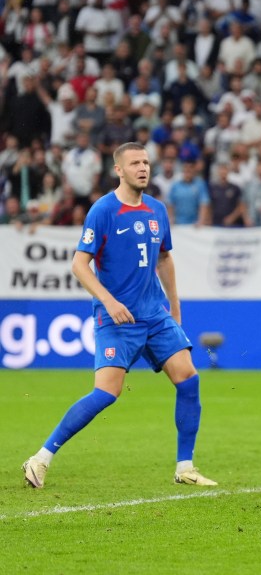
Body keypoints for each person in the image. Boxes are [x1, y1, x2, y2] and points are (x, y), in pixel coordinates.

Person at [21, 142, 216, 488]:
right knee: (105, 394)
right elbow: (80, 265)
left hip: (155, 316)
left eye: (146, 162)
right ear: (119, 170)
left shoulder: (156, 209)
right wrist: (109, 302)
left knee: (189, 379)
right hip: (117, 319)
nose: (143, 168)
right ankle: (40, 459)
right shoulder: (103, 210)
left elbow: (165, 258)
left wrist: (175, 308)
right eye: (135, 163)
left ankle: (185, 467)